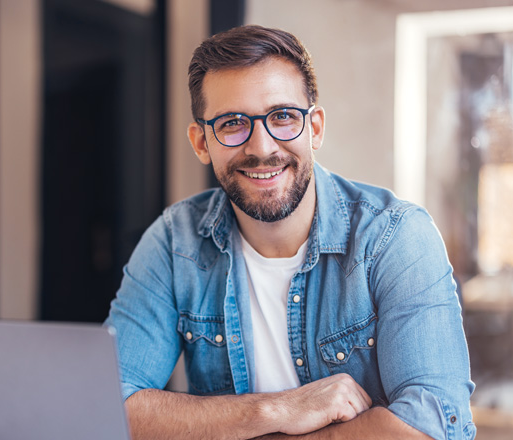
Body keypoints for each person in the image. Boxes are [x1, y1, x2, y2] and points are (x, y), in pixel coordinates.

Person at [105, 25, 475, 440]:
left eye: (282, 117)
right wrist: (276, 409)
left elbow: (431, 426)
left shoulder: (396, 236)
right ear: (201, 142)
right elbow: (108, 405)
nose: (262, 148)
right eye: (232, 123)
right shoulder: (174, 243)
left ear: (314, 127)